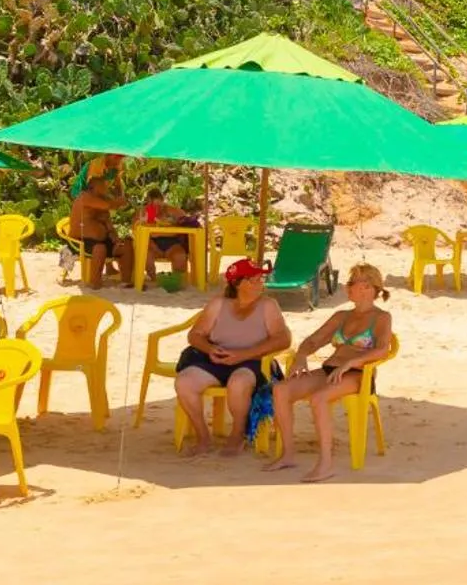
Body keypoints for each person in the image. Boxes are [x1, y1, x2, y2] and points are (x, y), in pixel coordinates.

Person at [262, 263, 394, 483]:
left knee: (319, 398)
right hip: (331, 370)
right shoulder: (341, 316)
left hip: (358, 374)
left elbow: (382, 349)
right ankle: (287, 454)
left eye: (351, 283)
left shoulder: (381, 318)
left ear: (367, 287)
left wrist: (352, 362)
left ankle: (326, 463)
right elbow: (313, 340)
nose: (346, 287)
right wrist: (301, 356)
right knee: (281, 390)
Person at [174, 258, 292, 458]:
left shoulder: (268, 305)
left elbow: (283, 339)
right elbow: (195, 335)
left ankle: (237, 434)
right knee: (184, 382)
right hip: (217, 358)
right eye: (254, 279)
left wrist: (244, 354)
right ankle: (203, 437)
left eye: (261, 279)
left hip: (252, 360)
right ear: (237, 283)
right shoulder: (218, 304)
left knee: (238, 383)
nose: (260, 283)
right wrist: (210, 349)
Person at [69, 160, 133, 289]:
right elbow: (109, 205)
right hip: (80, 241)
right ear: (92, 187)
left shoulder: (102, 199)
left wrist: (115, 237)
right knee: (100, 248)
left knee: (126, 244)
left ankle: (126, 281)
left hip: (103, 239)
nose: (106, 188)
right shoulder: (84, 197)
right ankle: (95, 282)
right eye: (103, 186)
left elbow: (107, 222)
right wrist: (120, 201)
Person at [140, 188, 199, 284]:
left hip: (172, 243)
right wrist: (151, 243)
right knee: (146, 256)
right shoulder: (146, 212)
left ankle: (175, 281)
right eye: (153, 205)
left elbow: (188, 223)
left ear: (163, 201)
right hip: (152, 244)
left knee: (180, 256)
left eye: (159, 205)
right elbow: (138, 229)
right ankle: (155, 280)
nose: (156, 208)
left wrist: (174, 224)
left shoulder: (172, 211)